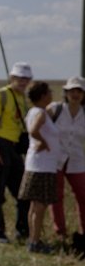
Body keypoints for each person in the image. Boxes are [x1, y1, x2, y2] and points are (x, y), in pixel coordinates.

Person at [0, 61, 32, 243]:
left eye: (26, 79)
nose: (23, 82)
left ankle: (22, 230)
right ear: (11, 78)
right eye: (19, 78)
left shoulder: (22, 98)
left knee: (22, 192)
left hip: (14, 147)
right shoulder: (1, 95)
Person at [19, 81, 59, 254]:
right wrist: (44, 143)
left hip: (38, 164)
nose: (51, 93)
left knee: (35, 206)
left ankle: (33, 239)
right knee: (40, 205)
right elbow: (34, 131)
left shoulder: (35, 112)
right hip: (42, 166)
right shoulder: (41, 113)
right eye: (49, 91)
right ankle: (35, 241)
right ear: (43, 95)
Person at [48, 76, 85, 255]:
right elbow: (37, 122)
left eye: (79, 91)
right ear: (66, 93)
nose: (75, 94)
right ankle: (60, 233)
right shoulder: (56, 109)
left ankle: (83, 233)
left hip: (77, 159)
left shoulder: (84, 113)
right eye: (72, 91)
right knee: (56, 196)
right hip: (55, 158)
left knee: (83, 195)